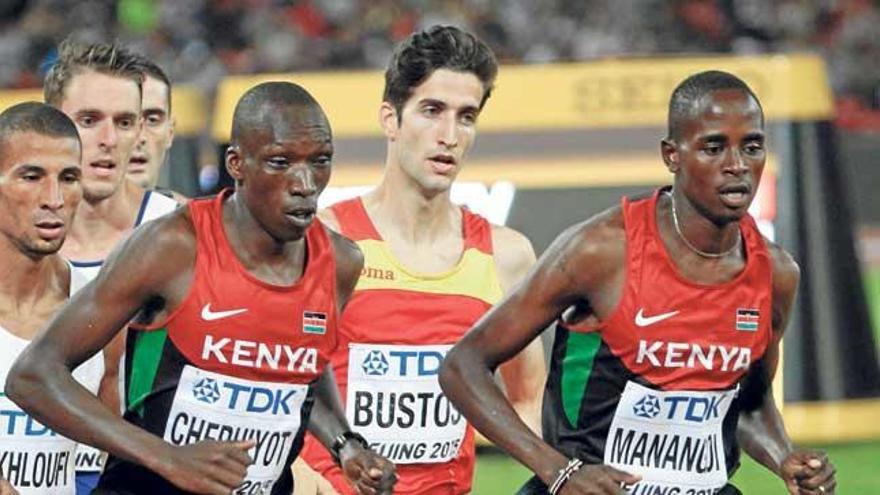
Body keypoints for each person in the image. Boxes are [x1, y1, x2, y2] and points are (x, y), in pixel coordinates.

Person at [439, 71, 838, 495]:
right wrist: (558, 471)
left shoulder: (775, 273)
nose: (737, 165)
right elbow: (464, 365)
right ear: (672, 155)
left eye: (752, 146)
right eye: (714, 147)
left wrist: (784, 458)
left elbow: (749, 404)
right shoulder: (601, 251)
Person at [6, 82, 396, 495]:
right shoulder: (173, 247)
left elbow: (305, 371)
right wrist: (167, 458)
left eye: (320, 161)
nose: (304, 183)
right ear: (237, 163)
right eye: (280, 162)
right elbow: (33, 375)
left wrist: (345, 444)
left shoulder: (340, 262)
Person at [299, 25, 546, 494]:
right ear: (390, 119)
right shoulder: (324, 239)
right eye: (432, 111)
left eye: (466, 116)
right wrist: (301, 474)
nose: (449, 135)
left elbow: (528, 399)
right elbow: (272, 381)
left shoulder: (506, 255)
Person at [43, 40, 182, 492]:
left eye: (125, 122)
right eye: (88, 121)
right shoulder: (10, 239)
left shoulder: (183, 236)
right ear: (52, 124)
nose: (108, 140)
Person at [0, 102, 103, 494]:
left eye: (69, 177)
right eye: (31, 176)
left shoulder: (100, 313)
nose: (54, 198)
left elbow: (106, 464)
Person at [126, 54, 187, 203]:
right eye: (125, 122)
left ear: (170, 133)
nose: (140, 138)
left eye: (152, 120)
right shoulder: (63, 220)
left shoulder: (197, 223)